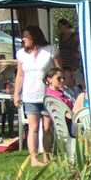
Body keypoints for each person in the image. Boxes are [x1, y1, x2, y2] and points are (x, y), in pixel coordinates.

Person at [12, 25, 54, 167]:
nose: (23, 39)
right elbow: (20, 75)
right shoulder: (22, 54)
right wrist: (16, 93)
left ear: (34, 37)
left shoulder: (50, 51)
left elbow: (58, 71)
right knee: (33, 127)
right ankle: (33, 158)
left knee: (47, 127)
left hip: (48, 94)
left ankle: (47, 156)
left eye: (26, 36)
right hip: (30, 95)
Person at [55, 18, 82, 88]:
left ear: (66, 25)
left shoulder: (75, 35)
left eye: (61, 26)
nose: (59, 28)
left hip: (72, 61)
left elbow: (84, 45)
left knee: (72, 77)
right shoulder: (61, 36)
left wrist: (80, 55)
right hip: (63, 60)